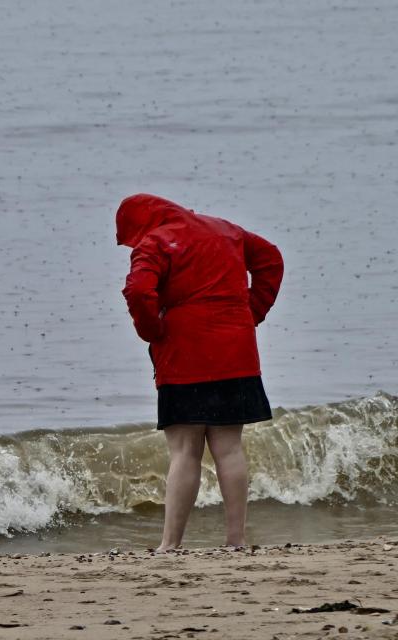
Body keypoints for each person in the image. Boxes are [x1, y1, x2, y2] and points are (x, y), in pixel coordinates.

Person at [116, 193, 283, 552]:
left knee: (184, 450)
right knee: (229, 447)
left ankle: (170, 544)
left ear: (139, 224)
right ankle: (236, 541)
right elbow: (270, 258)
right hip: (236, 353)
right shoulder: (225, 230)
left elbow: (139, 291)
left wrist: (153, 331)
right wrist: (251, 310)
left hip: (183, 356)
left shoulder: (155, 242)